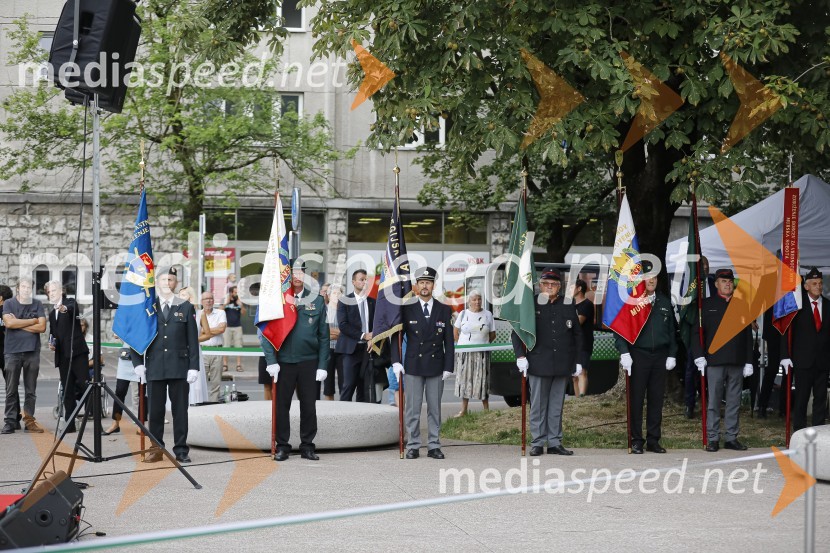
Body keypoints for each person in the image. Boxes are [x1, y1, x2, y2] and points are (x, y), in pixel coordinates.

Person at [130, 268, 200, 463]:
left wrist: (193, 366)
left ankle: (181, 450)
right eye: (163, 279)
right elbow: (138, 336)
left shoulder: (185, 306)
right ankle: (156, 448)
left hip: (179, 366)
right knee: (156, 411)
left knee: (180, 411)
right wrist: (137, 363)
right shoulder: (148, 307)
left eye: (170, 279)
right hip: (154, 366)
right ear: (157, 283)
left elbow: (192, 339)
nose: (166, 282)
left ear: (176, 283)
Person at [262, 264, 329, 461]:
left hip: (309, 362)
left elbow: (324, 337)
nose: (297, 276)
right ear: (287, 276)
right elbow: (267, 334)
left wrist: (322, 365)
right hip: (283, 362)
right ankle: (282, 445)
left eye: (301, 273)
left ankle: (307, 446)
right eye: (293, 273)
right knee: (282, 406)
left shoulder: (316, 301)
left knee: (308, 406)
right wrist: (271, 361)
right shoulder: (278, 301)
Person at [513, 268, 582, 456]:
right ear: (540, 285)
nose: (549, 287)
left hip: (562, 363)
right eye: (546, 284)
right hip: (538, 362)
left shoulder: (568, 304)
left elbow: (577, 334)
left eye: (553, 284)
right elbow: (517, 332)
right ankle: (537, 442)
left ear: (559, 287)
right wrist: (520, 356)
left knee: (556, 405)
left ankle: (554, 442)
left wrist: (578, 361)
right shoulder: (531, 303)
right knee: (538, 405)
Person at [391, 266, 454, 460]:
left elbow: (449, 341)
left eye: (428, 282)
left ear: (433, 285)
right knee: (413, 409)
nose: (425, 286)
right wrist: (395, 361)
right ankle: (413, 445)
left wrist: (448, 366)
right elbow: (396, 336)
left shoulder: (444, 309)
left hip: (436, 365)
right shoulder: (406, 308)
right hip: (413, 365)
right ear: (416, 286)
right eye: (421, 282)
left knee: (435, 409)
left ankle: (434, 445)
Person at [615, 265, 677, 454]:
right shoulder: (632, 303)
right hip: (638, 356)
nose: (651, 280)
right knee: (636, 398)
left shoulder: (665, 302)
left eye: (654, 277)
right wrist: (624, 352)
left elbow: (673, 333)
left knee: (656, 399)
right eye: (647, 277)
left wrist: (672, 354)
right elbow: (621, 331)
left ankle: (653, 440)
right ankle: (636, 439)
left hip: (659, 356)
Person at [692, 268, 754, 452]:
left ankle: (731, 437)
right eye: (724, 281)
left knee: (734, 401)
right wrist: (699, 356)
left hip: (736, 360)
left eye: (730, 281)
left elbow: (747, 336)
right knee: (714, 401)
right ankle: (712, 438)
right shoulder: (707, 305)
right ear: (716, 283)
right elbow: (697, 333)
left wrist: (749, 361)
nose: (727, 284)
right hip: (715, 360)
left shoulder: (742, 305)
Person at [780, 267, 830, 431]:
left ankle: (818, 432)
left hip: (823, 361)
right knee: (801, 398)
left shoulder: (828, 305)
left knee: (820, 399)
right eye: (814, 283)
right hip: (803, 360)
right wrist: (785, 355)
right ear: (806, 286)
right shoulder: (797, 306)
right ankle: (799, 432)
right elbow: (786, 331)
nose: (818, 286)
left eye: (820, 283)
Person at [2, 278, 47, 434]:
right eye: (24, 286)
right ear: (18, 288)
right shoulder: (8, 303)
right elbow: (9, 324)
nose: (27, 289)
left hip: (32, 352)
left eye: (29, 287)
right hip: (12, 352)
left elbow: (42, 327)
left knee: (30, 390)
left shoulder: (37, 304)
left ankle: (29, 422)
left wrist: (19, 323)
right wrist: (31, 321)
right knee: (11, 389)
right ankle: (9, 422)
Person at [45, 280, 89, 433]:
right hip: (62, 355)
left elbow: (71, 309)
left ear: (61, 291)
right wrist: (51, 343)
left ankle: (96, 421)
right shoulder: (51, 314)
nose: (52, 294)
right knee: (67, 390)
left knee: (85, 385)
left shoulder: (70, 303)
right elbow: (53, 333)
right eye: (49, 292)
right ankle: (69, 424)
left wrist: (64, 308)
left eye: (54, 290)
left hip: (77, 353)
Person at [452, 289, 495, 417]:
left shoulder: (488, 314)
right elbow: (455, 332)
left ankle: (486, 410)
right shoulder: (463, 314)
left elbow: (493, 335)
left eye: (479, 299)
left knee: (483, 380)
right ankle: (464, 410)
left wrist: (482, 344)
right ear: (469, 301)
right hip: (465, 354)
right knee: (465, 380)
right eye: (474, 299)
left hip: (482, 353)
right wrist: (463, 345)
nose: (477, 302)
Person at [684, 255, 716, 419]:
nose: (705, 267)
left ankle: (710, 404)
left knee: (712, 370)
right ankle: (690, 404)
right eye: (702, 265)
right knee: (691, 370)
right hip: (695, 333)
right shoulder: (692, 285)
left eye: (707, 264)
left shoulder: (713, 283)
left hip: (713, 335)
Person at [336, 269, 375, 402]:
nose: (364, 282)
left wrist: (372, 337)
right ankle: (343, 417)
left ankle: (362, 418)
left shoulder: (373, 302)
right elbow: (343, 325)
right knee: (348, 385)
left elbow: (376, 324)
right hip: (350, 350)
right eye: (361, 279)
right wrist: (364, 335)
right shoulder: (345, 300)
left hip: (368, 350)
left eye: (366, 280)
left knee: (364, 387)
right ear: (353, 282)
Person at [178, 287, 212, 405]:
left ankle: (195, 402)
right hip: (179, 350)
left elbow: (207, 334)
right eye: (179, 294)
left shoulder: (199, 314)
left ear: (190, 297)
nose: (179, 297)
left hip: (193, 349)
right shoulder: (176, 312)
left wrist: (192, 340)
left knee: (194, 381)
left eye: (183, 295)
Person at [197, 291, 226, 401]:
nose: (208, 301)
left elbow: (222, 329)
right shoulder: (198, 314)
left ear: (213, 301)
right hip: (202, 351)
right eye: (206, 299)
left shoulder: (220, 313)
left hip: (217, 350)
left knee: (216, 381)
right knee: (200, 381)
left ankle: (213, 404)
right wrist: (213, 330)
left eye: (210, 298)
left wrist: (204, 330)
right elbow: (196, 333)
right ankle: (201, 402)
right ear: (201, 302)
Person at [570, 279, 594, 398]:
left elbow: (577, 323)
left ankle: (582, 398)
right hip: (572, 344)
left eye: (572, 287)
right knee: (574, 375)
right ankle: (577, 399)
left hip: (584, 343)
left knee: (582, 372)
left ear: (579, 288)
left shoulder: (587, 304)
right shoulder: (571, 304)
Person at [321, 283, 343, 401]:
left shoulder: (345, 310)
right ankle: (329, 411)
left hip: (342, 350)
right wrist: (340, 333)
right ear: (328, 296)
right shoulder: (324, 310)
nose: (337, 296)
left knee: (344, 384)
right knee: (328, 386)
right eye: (334, 293)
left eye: (339, 293)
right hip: (327, 349)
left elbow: (347, 330)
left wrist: (335, 333)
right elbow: (323, 331)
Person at [222, 285, 246, 373]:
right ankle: (225, 365)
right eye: (235, 292)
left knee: (238, 346)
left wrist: (241, 305)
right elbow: (220, 310)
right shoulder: (226, 300)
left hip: (237, 326)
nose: (236, 294)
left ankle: (238, 365)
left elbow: (243, 313)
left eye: (237, 292)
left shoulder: (239, 301)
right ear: (231, 293)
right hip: (227, 327)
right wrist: (226, 303)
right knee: (226, 346)